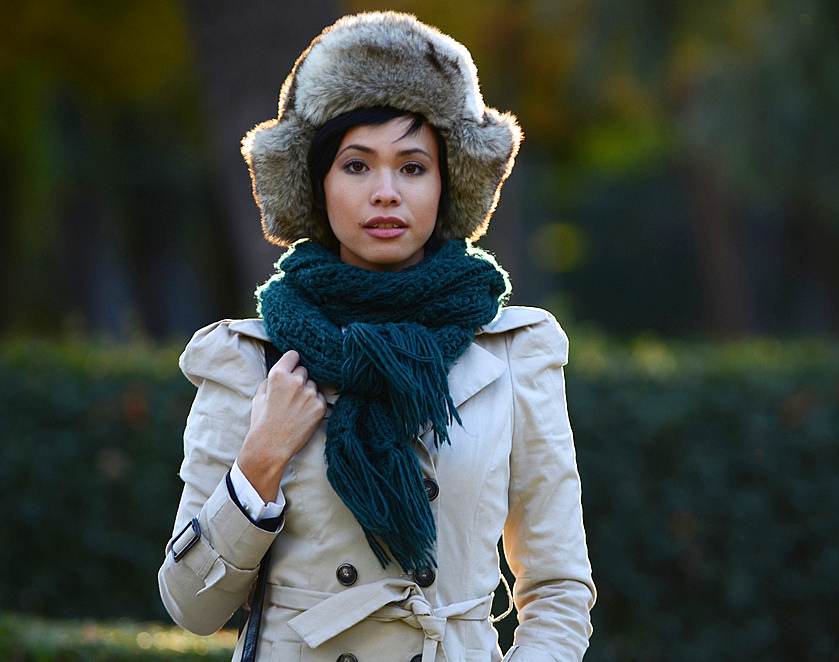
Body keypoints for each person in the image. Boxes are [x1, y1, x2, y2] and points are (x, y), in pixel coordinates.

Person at [158, 11, 595, 662]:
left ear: (448, 183)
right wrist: (259, 464)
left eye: (413, 167)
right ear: (316, 183)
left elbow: (558, 591)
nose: (386, 193)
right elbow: (191, 607)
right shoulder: (250, 360)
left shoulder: (514, 354)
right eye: (356, 165)